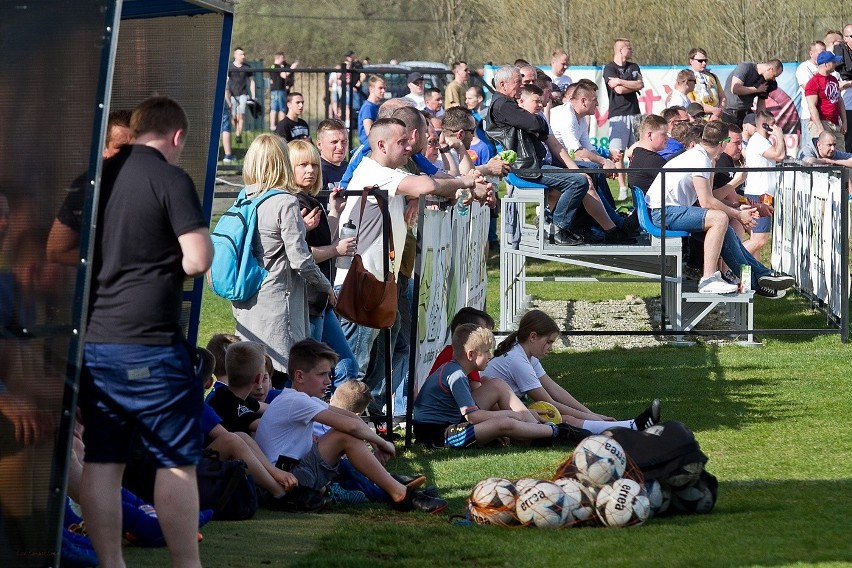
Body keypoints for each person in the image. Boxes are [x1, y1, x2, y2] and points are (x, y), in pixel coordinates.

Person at [78, 96, 213, 568]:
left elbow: (57, 249)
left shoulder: (95, 178)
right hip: (153, 344)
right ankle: (185, 564)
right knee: (174, 460)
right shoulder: (170, 178)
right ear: (176, 137)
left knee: (102, 461)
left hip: (96, 343)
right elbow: (197, 260)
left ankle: (110, 563)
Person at [255, 339, 448, 513]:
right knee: (343, 436)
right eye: (322, 374)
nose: (328, 381)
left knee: (346, 439)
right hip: (282, 483)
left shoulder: (302, 398)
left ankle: (395, 489)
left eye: (329, 374)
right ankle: (401, 494)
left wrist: (377, 443)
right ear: (299, 376)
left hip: (291, 475)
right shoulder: (295, 401)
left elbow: (353, 419)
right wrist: (382, 442)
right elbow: (350, 427)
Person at [645, 120, 795, 298]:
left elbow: (711, 197)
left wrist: (739, 206)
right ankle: (708, 279)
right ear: (723, 142)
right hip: (663, 213)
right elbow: (707, 202)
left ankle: (760, 278)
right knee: (719, 219)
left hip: (668, 210)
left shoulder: (703, 157)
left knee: (727, 231)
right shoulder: (700, 159)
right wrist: (738, 214)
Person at [232, 133, 334, 374]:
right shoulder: (284, 202)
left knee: (256, 375)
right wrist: (325, 285)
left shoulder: (244, 197)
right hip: (279, 301)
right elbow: (300, 259)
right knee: (281, 375)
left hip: (247, 297)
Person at [482, 310, 662, 435]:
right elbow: (548, 401)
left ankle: (629, 427)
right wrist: (595, 418)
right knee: (564, 419)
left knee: (565, 418)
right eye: (549, 342)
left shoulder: (526, 356)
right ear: (533, 336)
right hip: (492, 416)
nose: (551, 348)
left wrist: (592, 414)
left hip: (504, 412)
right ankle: (630, 427)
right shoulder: (517, 360)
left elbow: (556, 390)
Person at [414, 324, 581, 448]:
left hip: (451, 423)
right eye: (486, 351)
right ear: (471, 355)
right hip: (438, 435)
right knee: (503, 423)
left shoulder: (455, 369)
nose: (490, 356)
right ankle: (556, 431)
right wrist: (511, 415)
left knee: (496, 385)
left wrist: (519, 414)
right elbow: (473, 417)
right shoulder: (456, 375)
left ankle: (535, 430)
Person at [287, 139, 359, 386]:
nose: (311, 171)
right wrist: (336, 250)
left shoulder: (310, 200)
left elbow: (321, 237)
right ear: (289, 168)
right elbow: (300, 254)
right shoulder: (292, 204)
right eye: (303, 165)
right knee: (312, 373)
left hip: (321, 298)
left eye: (314, 165)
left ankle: (337, 421)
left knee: (347, 366)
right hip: (307, 301)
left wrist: (335, 212)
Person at [46, 110, 134, 266]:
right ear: (104, 151)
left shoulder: (159, 181)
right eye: (122, 148)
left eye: (136, 148)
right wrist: (108, 262)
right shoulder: (89, 187)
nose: (130, 155)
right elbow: (56, 251)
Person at [603, 38, 645, 201]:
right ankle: (622, 187)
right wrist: (627, 85)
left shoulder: (633, 67)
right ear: (620, 50)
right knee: (618, 153)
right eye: (629, 47)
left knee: (637, 151)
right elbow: (618, 91)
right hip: (617, 115)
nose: (632, 50)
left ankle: (636, 186)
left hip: (635, 113)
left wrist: (620, 80)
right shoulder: (609, 68)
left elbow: (640, 84)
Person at [742, 110, 786, 257]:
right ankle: (730, 263)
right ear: (764, 124)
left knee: (756, 239)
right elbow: (779, 155)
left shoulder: (763, 141)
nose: (775, 128)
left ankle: (753, 274)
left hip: (763, 193)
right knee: (760, 239)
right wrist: (779, 136)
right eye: (772, 125)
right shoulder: (758, 141)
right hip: (759, 194)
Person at [205, 341, 268, 434]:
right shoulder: (230, 404)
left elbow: (270, 408)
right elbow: (268, 429)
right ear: (258, 378)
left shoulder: (224, 394)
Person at [804, 51, 847, 152]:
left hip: (835, 123)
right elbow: (812, 106)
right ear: (826, 64)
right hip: (822, 122)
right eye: (833, 62)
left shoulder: (833, 79)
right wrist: (820, 128)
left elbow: (839, 101)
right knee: (823, 155)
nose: (836, 64)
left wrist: (844, 122)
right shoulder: (813, 82)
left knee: (840, 153)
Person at [722, 59, 783, 126]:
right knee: (731, 136)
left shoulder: (766, 81)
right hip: (729, 114)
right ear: (770, 69)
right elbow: (735, 89)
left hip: (746, 115)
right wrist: (756, 89)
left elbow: (761, 104)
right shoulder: (745, 68)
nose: (773, 79)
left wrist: (760, 122)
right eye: (774, 76)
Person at [627, 114, 668, 192]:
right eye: (663, 134)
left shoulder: (637, 154)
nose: (667, 137)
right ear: (650, 135)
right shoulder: (653, 160)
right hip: (658, 204)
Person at [687, 48, 725, 119]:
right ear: (691, 61)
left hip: (716, 118)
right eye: (700, 61)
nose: (704, 63)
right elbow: (692, 103)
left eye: (705, 61)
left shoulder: (713, 76)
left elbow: (723, 97)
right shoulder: (688, 78)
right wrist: (713, 110)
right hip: (698, 119)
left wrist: (719, 112)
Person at [227, 47, 256, 143]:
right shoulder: (230, 67)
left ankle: (238, 135)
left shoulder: (247, 67)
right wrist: (226, 94)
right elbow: (226, 81)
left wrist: (253, 95)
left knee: (241, 115)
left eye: (244, 54)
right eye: (240, 54)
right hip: (232, 95)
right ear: (235, 55)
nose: (243, 56)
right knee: (234, 117)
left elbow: (252, 81)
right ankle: (237, 131)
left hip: (244, 94)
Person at [316, 118, 350, 192]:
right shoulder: (316, 173)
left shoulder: (350, 169)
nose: (340, 147)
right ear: (319, 144)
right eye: (334, 142)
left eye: (344, 141)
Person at [834, 24, 852, 150]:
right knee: (848, 140)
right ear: (844, 38)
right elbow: (839, 83)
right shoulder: (839, 52)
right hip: (847, 106)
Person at [358, 75, 385, 146]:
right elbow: (370, 133)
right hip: (368, 148)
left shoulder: (375, 106)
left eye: (384, 88)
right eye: (380, 88)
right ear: (371, 89)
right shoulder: (368, 107)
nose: (383, 91)